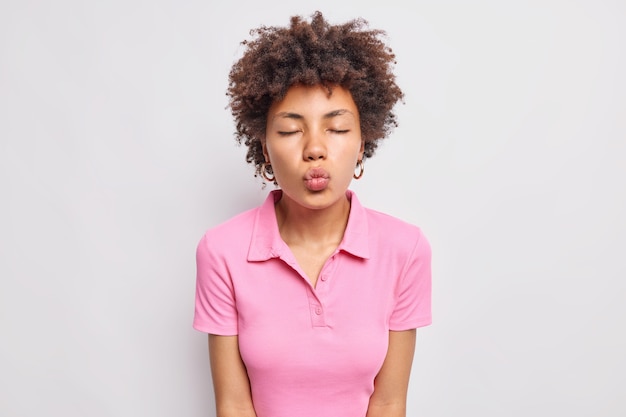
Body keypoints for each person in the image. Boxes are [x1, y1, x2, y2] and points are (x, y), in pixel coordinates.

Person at [194, 11, 432, 417]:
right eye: (290, 130)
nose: (315, 149)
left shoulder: (405, 249)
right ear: (265, 149)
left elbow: (390, 403)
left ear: (362, 144)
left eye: (337, 129)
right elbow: (233, 405)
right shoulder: (221, 251)